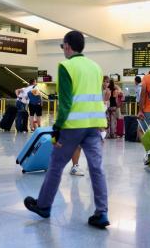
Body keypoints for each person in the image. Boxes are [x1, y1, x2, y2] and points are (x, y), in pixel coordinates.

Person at [24, 30, 110, 228]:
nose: (63, 50)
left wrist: (57, 128)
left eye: (63, 46)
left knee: (56, 165)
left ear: (68, 46)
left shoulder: (66, 66)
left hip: (72, 126)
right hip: (94, 125)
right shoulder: (96, 67)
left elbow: (65, 102)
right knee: (97, 168)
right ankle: (102, 212)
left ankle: (44, 206)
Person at [70, 76, 110, 176]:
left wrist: (101, 127)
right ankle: (75, 166)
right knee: (78, 144)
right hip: (80, 119)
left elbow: (100, 109)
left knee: (94, 143)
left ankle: (92, 164)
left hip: (92, 121)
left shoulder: (101, 92)